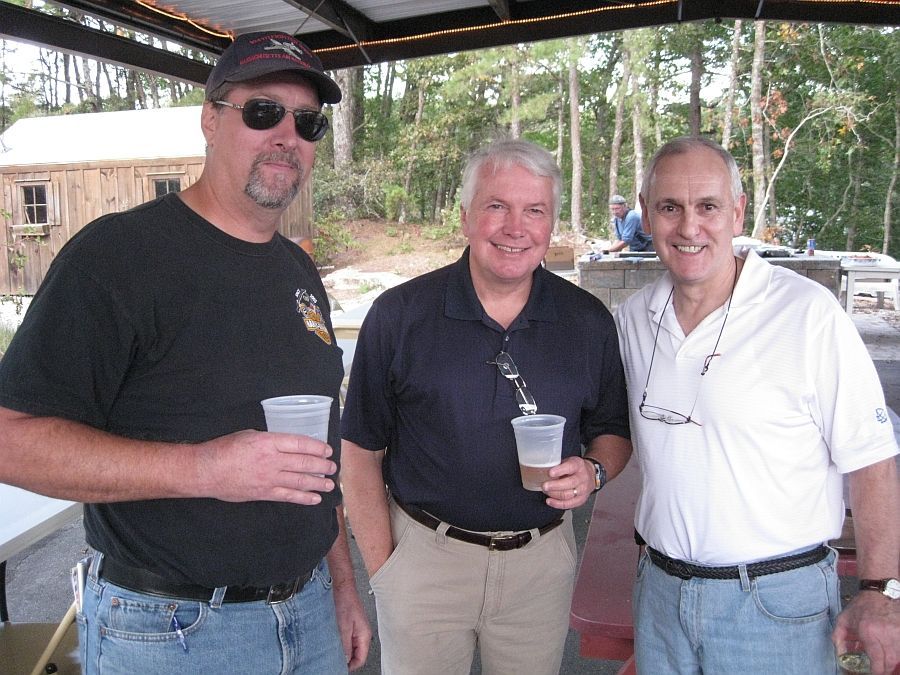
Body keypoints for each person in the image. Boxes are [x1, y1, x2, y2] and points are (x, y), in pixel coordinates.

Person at [0, 31, 371, 674]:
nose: (287, 135)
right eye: (263, 111)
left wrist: (341, 584)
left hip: (309, 612)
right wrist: (205, 469)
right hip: (171, 631)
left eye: (307, 122)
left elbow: (319, 464)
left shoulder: (297, 270)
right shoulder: (117, 257)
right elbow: (11, 440)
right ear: (210, 120)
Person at [340, 138, 632, 674]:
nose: (515, 228)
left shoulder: (587, 321)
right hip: (424, 560)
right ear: (465, 218)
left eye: (534, 210)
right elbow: (359, 451)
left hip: (541, 564)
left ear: (551, 224)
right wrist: (386, 570)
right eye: (497, 206)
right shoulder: (400, 315)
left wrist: (593, 472)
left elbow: (613, 431)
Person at [615, 136, 899, 674]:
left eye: (708, 206)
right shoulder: (633, 319)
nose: (689, 227)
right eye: (670, 207)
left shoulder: (806, 314)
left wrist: (880, 591)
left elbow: (872, 460)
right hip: (660, 595)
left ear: (738, 212)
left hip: (775, 604)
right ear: (646, 214)